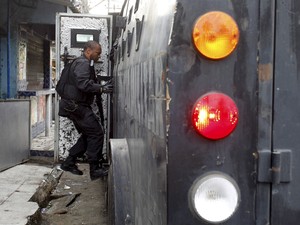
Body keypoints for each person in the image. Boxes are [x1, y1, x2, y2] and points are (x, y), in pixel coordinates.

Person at [59, 40, 112, 180]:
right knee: (96, 133)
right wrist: (101, 88)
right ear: (88, 51)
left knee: (89, 134)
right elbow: (82, 84)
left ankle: (69, 162)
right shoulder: (82, 63)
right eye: (97, 53)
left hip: (73, 105)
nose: (99, 56)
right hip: (76, 106)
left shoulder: (83, 62)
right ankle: (95, 169)